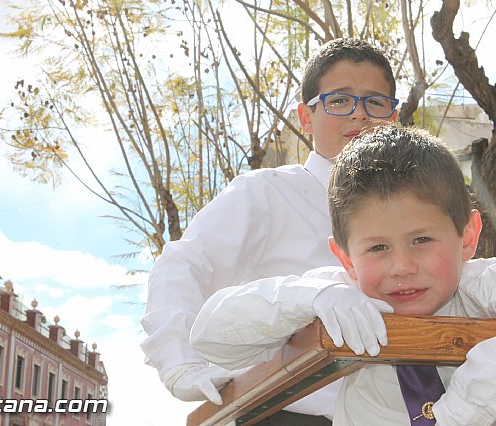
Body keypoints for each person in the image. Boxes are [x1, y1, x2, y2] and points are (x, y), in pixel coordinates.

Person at [190, 124, 496, 425]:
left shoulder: (482, 286)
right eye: (377, 248)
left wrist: (456, 415)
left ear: (468, 236)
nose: (401, 267)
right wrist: (308, 299)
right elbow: (212, 338)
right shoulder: (342, 300)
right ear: (345, 258)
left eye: (422, 239)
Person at [140, 38, 398, 424]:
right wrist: (179, 362)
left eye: (375, 101)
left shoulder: (414, 210)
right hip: (287, 408)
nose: (359, 115)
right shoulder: (265, 193)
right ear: (306, 117)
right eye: (340, 100)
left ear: (393, 116)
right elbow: (182, 265)